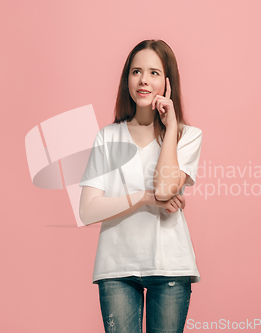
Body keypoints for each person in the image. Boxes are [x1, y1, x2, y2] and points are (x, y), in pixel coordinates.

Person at [78, 39, 203, 333]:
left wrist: (171, 127)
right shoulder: (108, 137)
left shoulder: (188, 135)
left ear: (168, 83)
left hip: (170, 265)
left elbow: (164, 188)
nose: (143, 80)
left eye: (154, 73)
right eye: (136, 72)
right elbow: (87, 211)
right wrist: (143, 198)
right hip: (116, 268)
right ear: (127, 79)